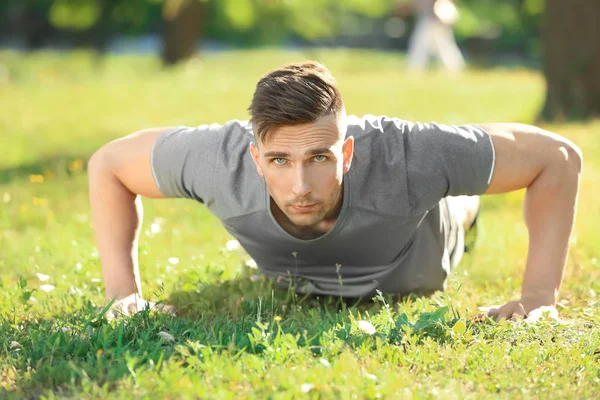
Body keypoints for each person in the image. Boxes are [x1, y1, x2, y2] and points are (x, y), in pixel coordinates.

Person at [88, 61, 582, 321]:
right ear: (256, 159)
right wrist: (122, 296)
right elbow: (108, 164)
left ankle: (464, 203)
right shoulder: (218, 160)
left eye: (319, 158)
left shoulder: (406, 155)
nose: (300, 186)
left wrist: (539, 296)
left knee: (456, 191)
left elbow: (557, 159)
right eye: (280, 161)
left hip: (431, 230)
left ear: (345, 155)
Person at [406, 0, 465, 72]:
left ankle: (454, 67)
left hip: (433, 20)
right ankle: (454, 67)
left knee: (423, 46)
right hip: (430, 19)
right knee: (442, 46)